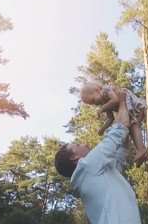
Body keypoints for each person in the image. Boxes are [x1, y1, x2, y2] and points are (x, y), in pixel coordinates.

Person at [55, 89, 142, 224]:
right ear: (75, 159)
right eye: (78, 145)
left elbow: (121, 151)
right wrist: (123, 102)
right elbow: (120, 128)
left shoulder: (95, 173)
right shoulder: (87, 166)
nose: (84, 144)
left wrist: (124, 117)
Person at [80, 82, 147, 167]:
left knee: (134, 126)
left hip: (133, 104)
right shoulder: (104, 103)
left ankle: (141, 149)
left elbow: (115, 100)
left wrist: (103, 108)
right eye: (92, 104)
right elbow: (110, 118)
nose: (95, 104)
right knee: (131, 129)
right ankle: (141, 152)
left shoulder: (105, 90)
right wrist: (103, 128)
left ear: (97, 90)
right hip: (128, 109)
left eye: (93, 100)